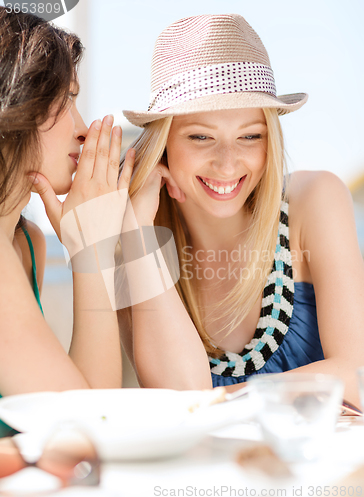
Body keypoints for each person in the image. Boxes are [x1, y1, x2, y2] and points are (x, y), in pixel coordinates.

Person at [119, 14, 364, 407]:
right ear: (163, 144)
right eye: (201, 136)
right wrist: (137, 233)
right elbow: (177, 398)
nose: (228, 164)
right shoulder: (135, 243)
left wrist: (226, 400)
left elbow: (356, 374)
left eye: (250, 136)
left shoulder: (314, 200)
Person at [0, 7, 134, 402]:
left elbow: (87, 406)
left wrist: (90, 251)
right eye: (67, 100)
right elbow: (84, 422)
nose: (82, 130)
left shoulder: (27, 245)